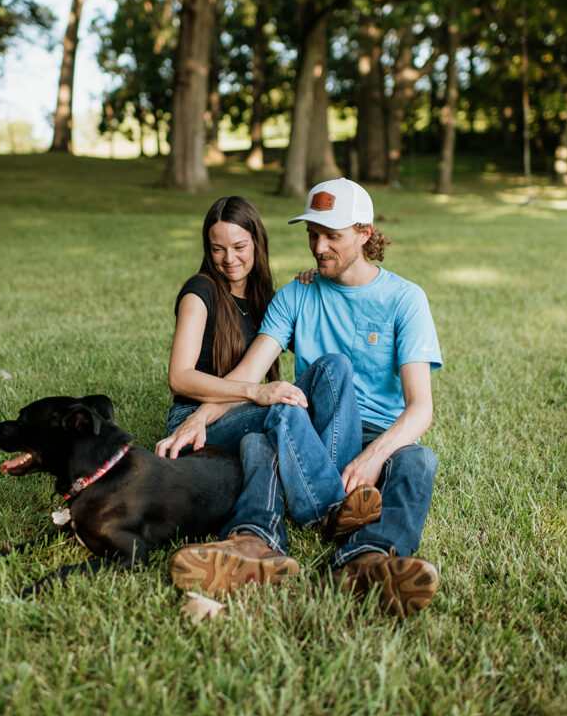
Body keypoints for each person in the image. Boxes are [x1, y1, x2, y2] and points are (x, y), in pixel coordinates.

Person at [167, 178, 443, 618]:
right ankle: (258, 540)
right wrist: (199, 417)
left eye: (332, 236)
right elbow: (248, 378)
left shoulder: (406, 300)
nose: (319, 246)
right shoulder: (296, 294)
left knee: (418, 460)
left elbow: (420, 408)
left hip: (373, 429)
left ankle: (366, 560)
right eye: (313, 233)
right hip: (315, 424)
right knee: (267, 427)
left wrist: (374, 455)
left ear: (364, 233)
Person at [156, 194, 380, 587]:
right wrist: (256, 392)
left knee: (331, 371)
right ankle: (332, 507)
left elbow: (314, 330)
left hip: (244, 416)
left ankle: (268, 535)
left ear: (258, 243)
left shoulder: (264, 298)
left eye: (240, 247)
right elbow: (180, 377)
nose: (229, 259)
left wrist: (314, 282)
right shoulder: (200, 291)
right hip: (199, 418)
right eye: (218, 249)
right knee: (284, 409)